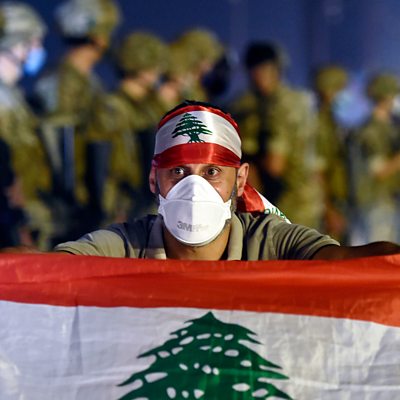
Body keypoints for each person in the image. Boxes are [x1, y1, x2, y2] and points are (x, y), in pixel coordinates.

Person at [54, 100, 400, 260]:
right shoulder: (125, 245)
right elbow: (48, 269)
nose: (195, 189)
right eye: (177, 171)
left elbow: (350, 262)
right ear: (153, 180)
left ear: (241, 179)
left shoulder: (270, 242)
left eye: (212, 172)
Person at [33, 0, 121, 242]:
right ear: (96, 36)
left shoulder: (88, 83)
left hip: (89, 203)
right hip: (68, 211)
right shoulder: (61, 83)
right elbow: (58, 152)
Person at [229, 41, 323, 229]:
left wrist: (248, 159)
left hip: (286, 202)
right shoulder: (300, 101)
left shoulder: (279, 106)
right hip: (307, 198)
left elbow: (275, 165)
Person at [89, 31, 168, 222]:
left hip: (145, 202)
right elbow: (106, 167)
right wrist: (110, 209)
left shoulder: (148, 107)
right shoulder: (112, 108)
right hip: (122, 208)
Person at [0, 1, 53, 250]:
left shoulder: (15, 97)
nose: (38, 49)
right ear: (16, 43)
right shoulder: (4, 100)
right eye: (34, 42)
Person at [352, 73, 400, 243]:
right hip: (378, 204)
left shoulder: (391, 126)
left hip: (390, 201)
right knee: (382, 253)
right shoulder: (369, 131)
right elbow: (379, 171)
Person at [313, 65, 350, 242]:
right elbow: (317, 171)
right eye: (340, 89)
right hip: (326, 207)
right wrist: (328, 210)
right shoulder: (320, 125)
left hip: (336, 201)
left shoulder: (331, 122)